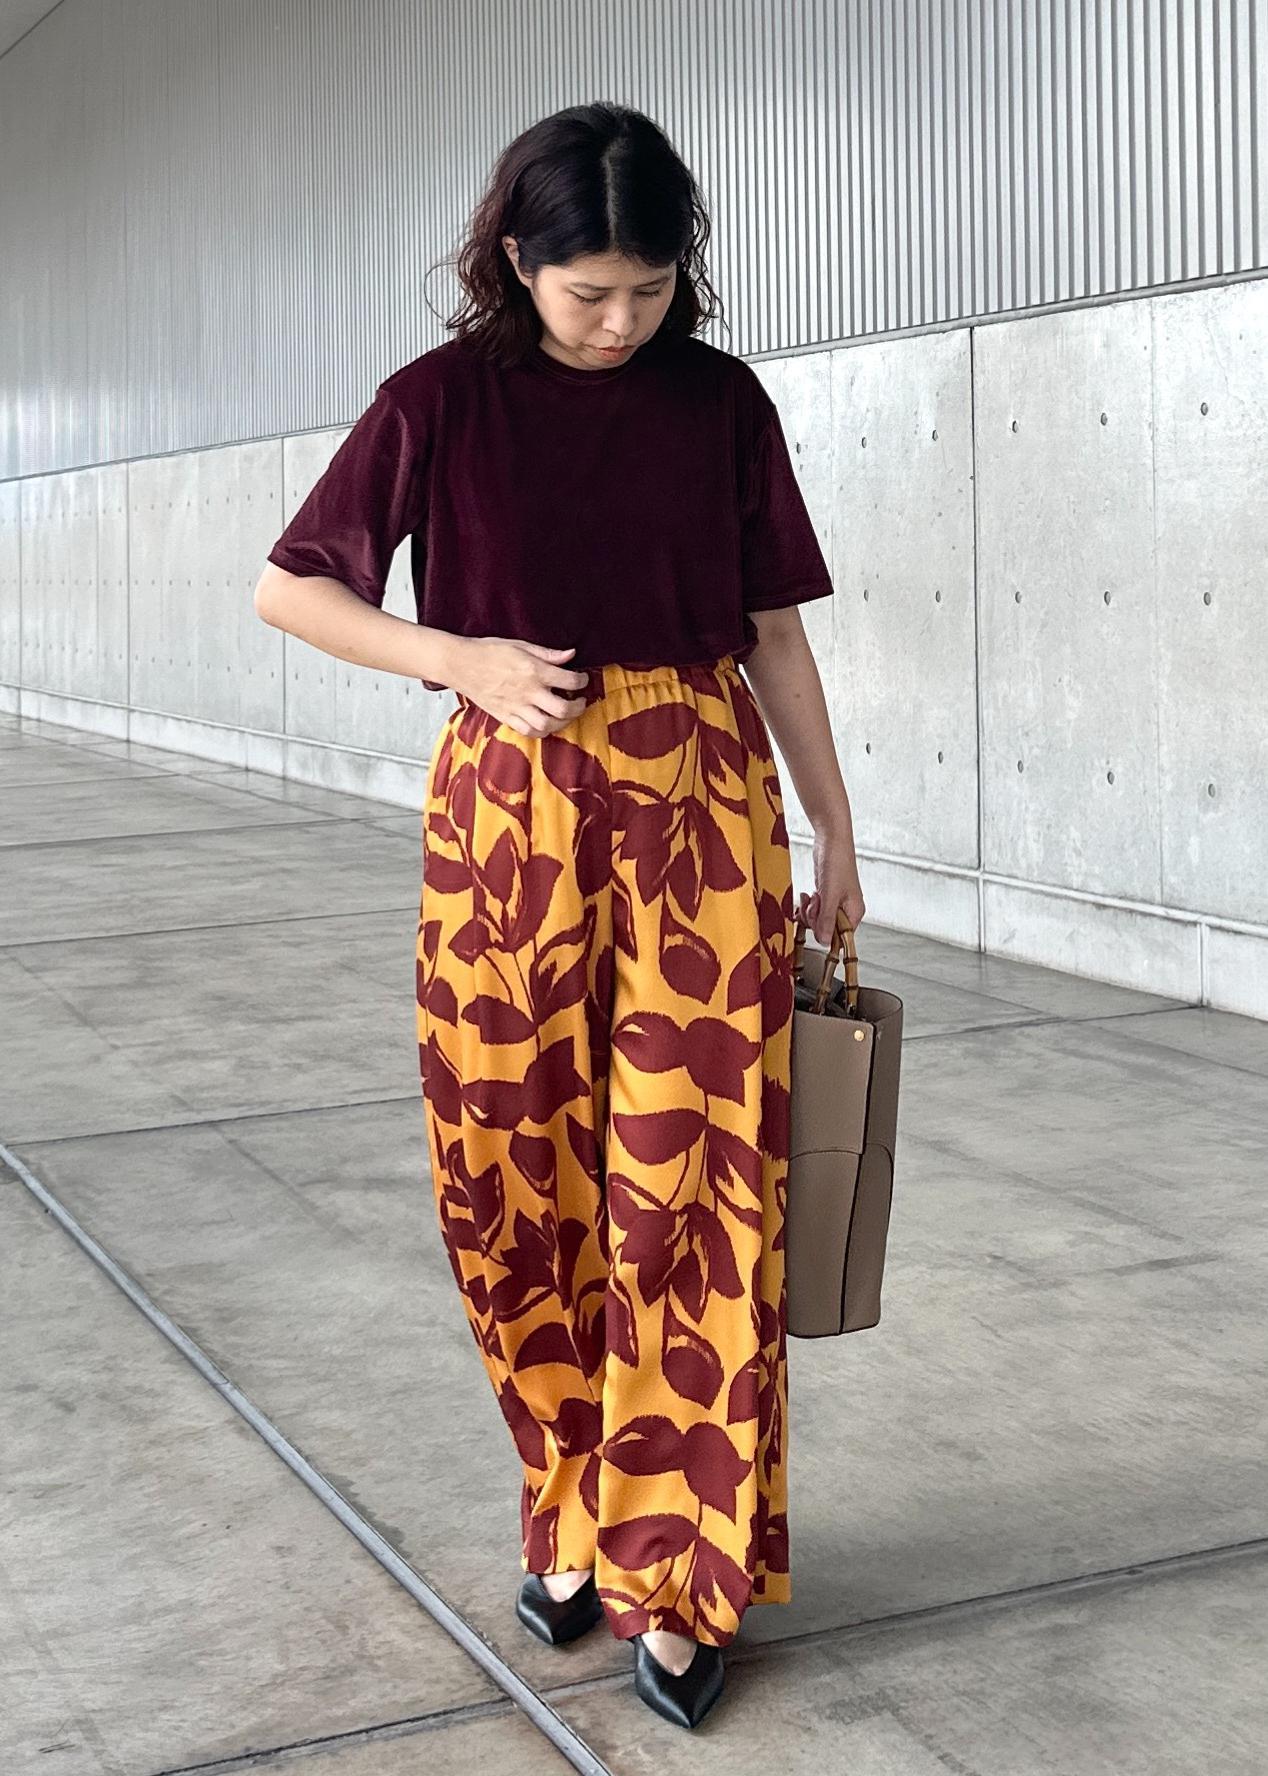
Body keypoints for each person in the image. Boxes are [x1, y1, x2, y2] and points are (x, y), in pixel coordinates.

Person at [255, 100, 864, 1730]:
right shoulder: (439, 403)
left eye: (649, 291)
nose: (619, 323)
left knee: (695, 1185)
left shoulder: (720, 404)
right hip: (506, 815)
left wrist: (836, 825)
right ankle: (574, 1501)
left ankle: (684, 1570)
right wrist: (453, 655)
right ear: (517, 260)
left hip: (700, 807)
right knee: (510, 1177)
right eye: (590, 291)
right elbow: (290, 584)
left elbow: (774, 633)